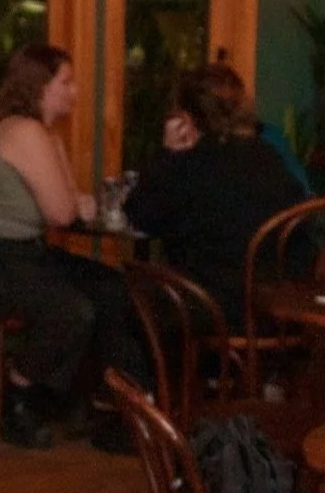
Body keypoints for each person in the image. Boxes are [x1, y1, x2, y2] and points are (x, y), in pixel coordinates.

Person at [0, 43, 137, 448]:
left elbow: (69, 204)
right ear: (40, 86)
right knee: (72, 310)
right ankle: (21, 394)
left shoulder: (44, 133)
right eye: (66, 82)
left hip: (27, 252)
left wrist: (76, 202)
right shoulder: (25, 131)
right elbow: (63, 211)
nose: (73, 92)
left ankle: (99, 402)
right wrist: (78, 203)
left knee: (110, 287)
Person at [123, 61, 300, 329]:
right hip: (272, 307)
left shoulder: (194, 165)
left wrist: (168, 154)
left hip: (210, 307)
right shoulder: (269, 157)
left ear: (187, 118)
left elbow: (139, 215)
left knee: (125, 298)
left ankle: (149, 372)